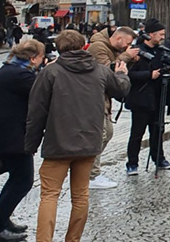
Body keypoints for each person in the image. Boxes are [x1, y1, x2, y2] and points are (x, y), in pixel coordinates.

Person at [24, 30, 130, 242]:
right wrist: (121, 73)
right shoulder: (100, 70)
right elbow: (121, 89)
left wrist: (31, 144)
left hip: (58, 143)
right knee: (80, 196)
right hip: (88, 142)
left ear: (59, 48)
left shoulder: (50, 72)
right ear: (83, 46)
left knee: (49, 195)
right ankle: (73, 239)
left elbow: (36, 111)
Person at [0, 40, 45, 241]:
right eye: (41, 57)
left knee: (16, 179)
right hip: (11, 137)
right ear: (34, 58)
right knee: (22, 181)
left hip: (4, 134)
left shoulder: (11, 69)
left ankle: (3, 220)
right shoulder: (21, 75)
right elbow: (42, 93)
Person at [86, 26, 139, 189]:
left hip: (103, 98)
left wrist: (128, 61)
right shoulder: (98, 47)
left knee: (106, 133)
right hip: (93, 98)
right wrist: (126, 57)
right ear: (118, 38)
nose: (126, 47)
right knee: (100, 134)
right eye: (126, 43)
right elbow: (107, 71)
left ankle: (89, 171)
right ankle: (90, 174)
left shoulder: (110, 47)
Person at [124, 19, 170, 176]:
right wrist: (149, 75)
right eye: (160, 34)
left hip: (158, 97)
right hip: (141, 99)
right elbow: (128, 74)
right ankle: (132, 163)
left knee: (158, 131)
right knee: (137, 134)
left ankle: (159, 158)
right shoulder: (136, 52)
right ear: (151, 34)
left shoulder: (162, 51)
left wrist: (168, 72)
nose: (162, 37)